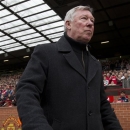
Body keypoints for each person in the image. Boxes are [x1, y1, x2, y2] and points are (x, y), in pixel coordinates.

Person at [16, 5, 122, 130]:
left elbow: (102, 105)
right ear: (68, 24)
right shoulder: (46, 53)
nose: (90, 23)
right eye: (84, 18)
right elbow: (26, 91)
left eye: (92, 21)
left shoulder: (95, 64)